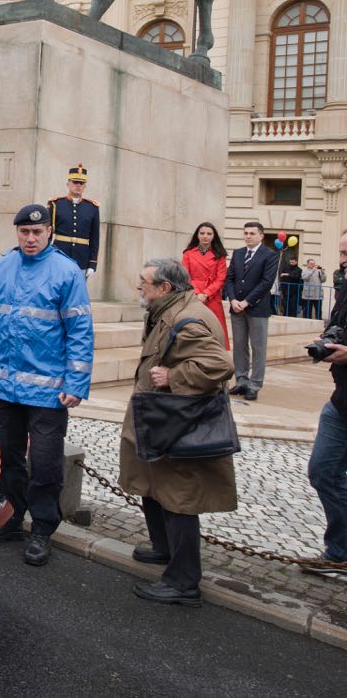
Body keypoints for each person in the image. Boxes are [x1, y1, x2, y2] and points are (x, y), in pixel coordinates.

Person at [0, 202, 94, 568]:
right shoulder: (0, 267)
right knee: (6, 457)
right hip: (5, 387)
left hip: (48, 390)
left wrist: (76, 382)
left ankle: (42, 527)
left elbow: (80, 332)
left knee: (45, 462)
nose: (31, 238)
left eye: (37, 232)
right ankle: (10, 516)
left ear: (49, 232)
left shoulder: (67, 272)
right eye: (24, 232)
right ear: (17, 233)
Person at [120, 258, 236, 606]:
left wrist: (174, 377)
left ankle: (184, 582)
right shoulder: (169, 308)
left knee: (178, 499)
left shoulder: (187, 319)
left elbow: (221, 365)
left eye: (144, 281)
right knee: (154, 486)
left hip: (178, 422)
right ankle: (164, 548)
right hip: (161, 418)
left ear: (165, 287)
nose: (139, 286)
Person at [304, 231, 347, 577]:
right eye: (342, 252)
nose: (342, 260)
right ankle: (340, 551)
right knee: (322, 471)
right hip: (341, 401)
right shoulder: (345, 288)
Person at [223, 220, 279, 401]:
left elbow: (266, 282)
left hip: (257, 308)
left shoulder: (270, 255)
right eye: (246, 233)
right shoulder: (238, 253)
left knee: (258, 348)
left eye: (252, 233)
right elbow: (230, 278)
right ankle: (241, 381)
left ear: (261, 236)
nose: (248, 236)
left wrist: (246, 302)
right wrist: (232, 299)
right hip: (236, 307)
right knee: (239, 345)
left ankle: (254, 385)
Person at [181, 221, 230, 348]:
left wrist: (206, 294)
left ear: (214, 236)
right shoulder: (188, 253)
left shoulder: (220, 255)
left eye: (209, 233)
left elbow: (221, 278)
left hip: (212, 298)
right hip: (193, 296)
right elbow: (185, 275)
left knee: (215, 331)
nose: (205, 236)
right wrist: (197, 293)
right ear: (197, 235)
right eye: (202, 233)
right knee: (192, 328)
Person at [49, 163, 100, 279]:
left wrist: (92, 263)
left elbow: (94, 238)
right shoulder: (56, 204)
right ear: (68, 184)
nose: (78, 185)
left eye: (81, 183)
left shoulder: (92, 207)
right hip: (58, 257)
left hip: (82, 260)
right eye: (75, 182)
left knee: (77, 295)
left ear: (85, 187)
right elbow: (48, 233)